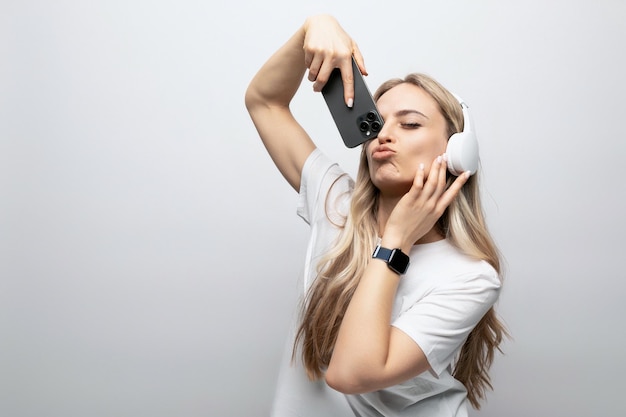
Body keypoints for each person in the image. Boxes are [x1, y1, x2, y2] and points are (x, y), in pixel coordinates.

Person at [245, 14, 507, 417]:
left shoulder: (471, 277)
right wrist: (311, 30)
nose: (384, 134)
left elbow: (351, 373)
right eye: (379, 123)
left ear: (456, 151)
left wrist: (396, 242)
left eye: (411, 124)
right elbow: (264, 102)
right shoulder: (335, 205)